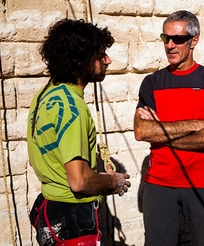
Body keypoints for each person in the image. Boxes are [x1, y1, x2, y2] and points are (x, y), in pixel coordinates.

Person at [27, 18, 131, 246]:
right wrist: (113, 182)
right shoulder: (72, 108)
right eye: (101, 54)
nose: (108, 60)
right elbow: (79, 181)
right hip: (71, 218)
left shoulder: (44, 96)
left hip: (50, 211)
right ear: (81, 59)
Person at [134, 10, 204, 246]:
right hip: (159, 183)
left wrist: (161, 134)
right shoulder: (151, 82)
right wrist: (197, 126)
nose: (170, 45)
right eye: (165, 38)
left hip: (202, 182)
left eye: (177, 39)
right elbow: (141, 132)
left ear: (193, 40)